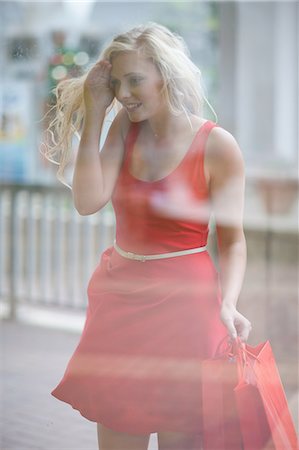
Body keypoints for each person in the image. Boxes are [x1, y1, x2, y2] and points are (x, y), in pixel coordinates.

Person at [45, 22, 252, 450]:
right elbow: (87, 201)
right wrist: (97, 112)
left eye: (135, 80)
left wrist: (229, 303)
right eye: (117, 82)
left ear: (165, 74)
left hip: (186, 310)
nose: (123, 92)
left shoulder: (218, 146)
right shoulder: (123, 127)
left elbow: (232, 240)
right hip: (120, 304)